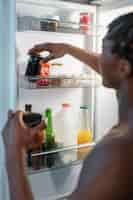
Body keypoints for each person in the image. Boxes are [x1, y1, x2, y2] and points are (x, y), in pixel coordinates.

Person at [3, 12, 133, 199]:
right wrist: (68, 49)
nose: (99, 57)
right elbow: (106, 66)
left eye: (103, 49)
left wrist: (14, 151)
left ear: (123, 67)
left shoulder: (117, 153)